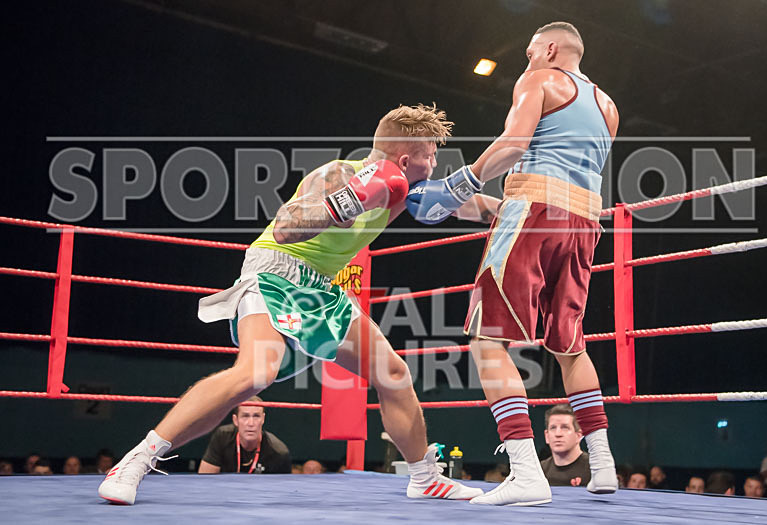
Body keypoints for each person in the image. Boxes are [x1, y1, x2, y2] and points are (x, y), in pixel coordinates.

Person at [98, 104, 487, 505]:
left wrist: (520, 210)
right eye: (430, 155)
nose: (434, 163)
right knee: (254, 374)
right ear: (405, 160)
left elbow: (473, 206)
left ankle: (425, 478)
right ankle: (135, 461)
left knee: (392, 373)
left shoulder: (408, 194)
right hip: (276, 272)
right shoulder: (339, 174)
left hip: (321, 288)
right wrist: (349, 201)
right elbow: (285, 227)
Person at [406, 21, 618, 506]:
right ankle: (603, 463)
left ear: (549, 48)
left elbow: (514, 146)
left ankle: (525, 473)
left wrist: (460, 183)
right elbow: (557, 176)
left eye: (529, 52)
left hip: (534, 212)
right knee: (569, 344)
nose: (526, 61)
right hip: (584, 222)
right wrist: (470, 203)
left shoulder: (540, 78)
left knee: (487, 340)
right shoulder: (608, 107)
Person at [198, 396, 291, 474]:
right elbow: (204, 480)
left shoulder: (278, 452)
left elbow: (282, 489)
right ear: (235, 420)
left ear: (263, 419)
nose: (251, 423)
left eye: (256, 416)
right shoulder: (222, 437)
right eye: (245, 416)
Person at [539, 404, 590, 487]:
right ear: (547, 436)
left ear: (578, 435)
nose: (558, 434)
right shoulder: (539, 471)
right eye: (553, 428)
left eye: (565, 427)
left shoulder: (594, 468)